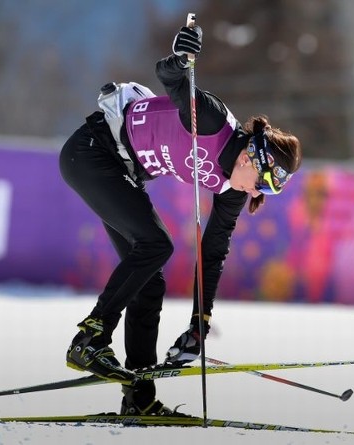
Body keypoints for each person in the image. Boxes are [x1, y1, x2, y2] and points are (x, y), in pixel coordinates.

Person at [59, 25, 302, 415]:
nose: (260, 194)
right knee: (156, 245)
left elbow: (213, 252)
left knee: (150, 282)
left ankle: (138, 400)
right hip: (91, 153)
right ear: (250, 158)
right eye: (266, 184)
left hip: (118, 170)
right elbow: (169, 76)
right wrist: (182, 56)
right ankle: (91, 337)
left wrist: (198, 322)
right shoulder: (212, 121)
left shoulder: (234, 189)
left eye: (271, 193)